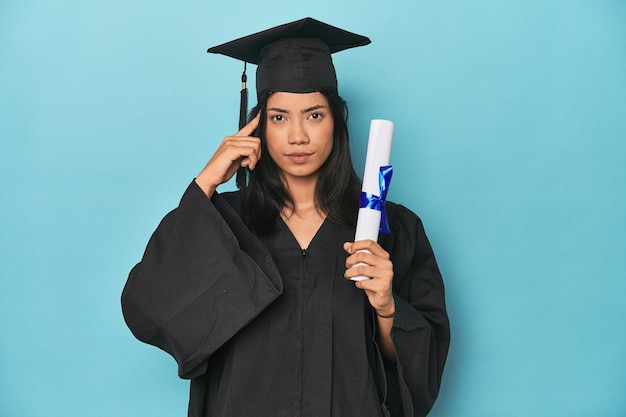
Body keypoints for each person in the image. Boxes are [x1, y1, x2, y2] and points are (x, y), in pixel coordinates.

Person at [122, 17, 450, 417]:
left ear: (337, 122)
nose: (298, 136)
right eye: (279, 117)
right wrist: (206, 182)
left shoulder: (392, 229)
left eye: (314, 115)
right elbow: (148, 306)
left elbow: (417, 371)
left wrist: (386, 306)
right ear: (256, 126)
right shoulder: (224, 219)